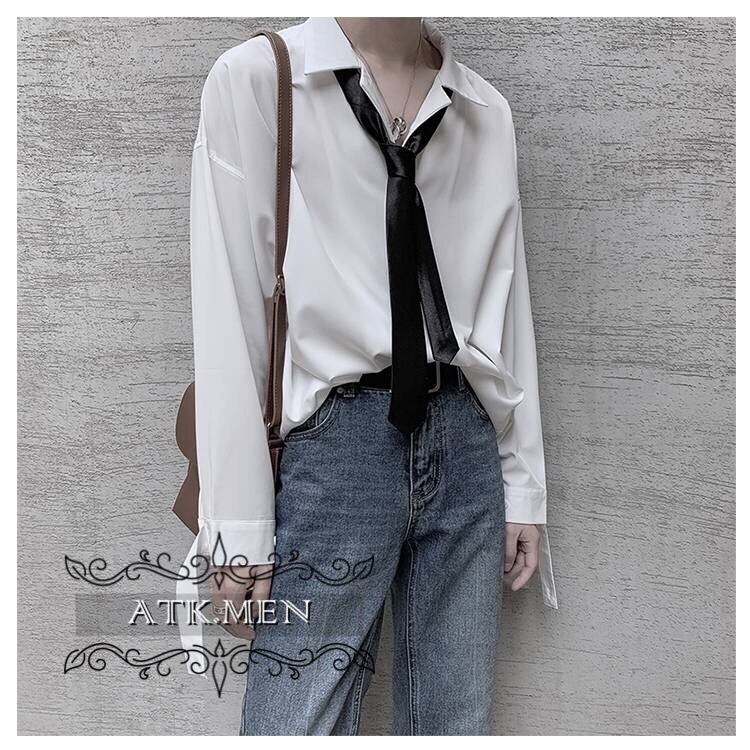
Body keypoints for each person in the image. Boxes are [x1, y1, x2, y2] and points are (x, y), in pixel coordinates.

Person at [190, 16, 557, 736]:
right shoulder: (260, 79)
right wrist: (236, 527)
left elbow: (506, 301)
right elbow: (227, 306)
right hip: (337, 445)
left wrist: (522, 479)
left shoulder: (484, 110)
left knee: (453, 724)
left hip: (466, 441)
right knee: (294, 722)